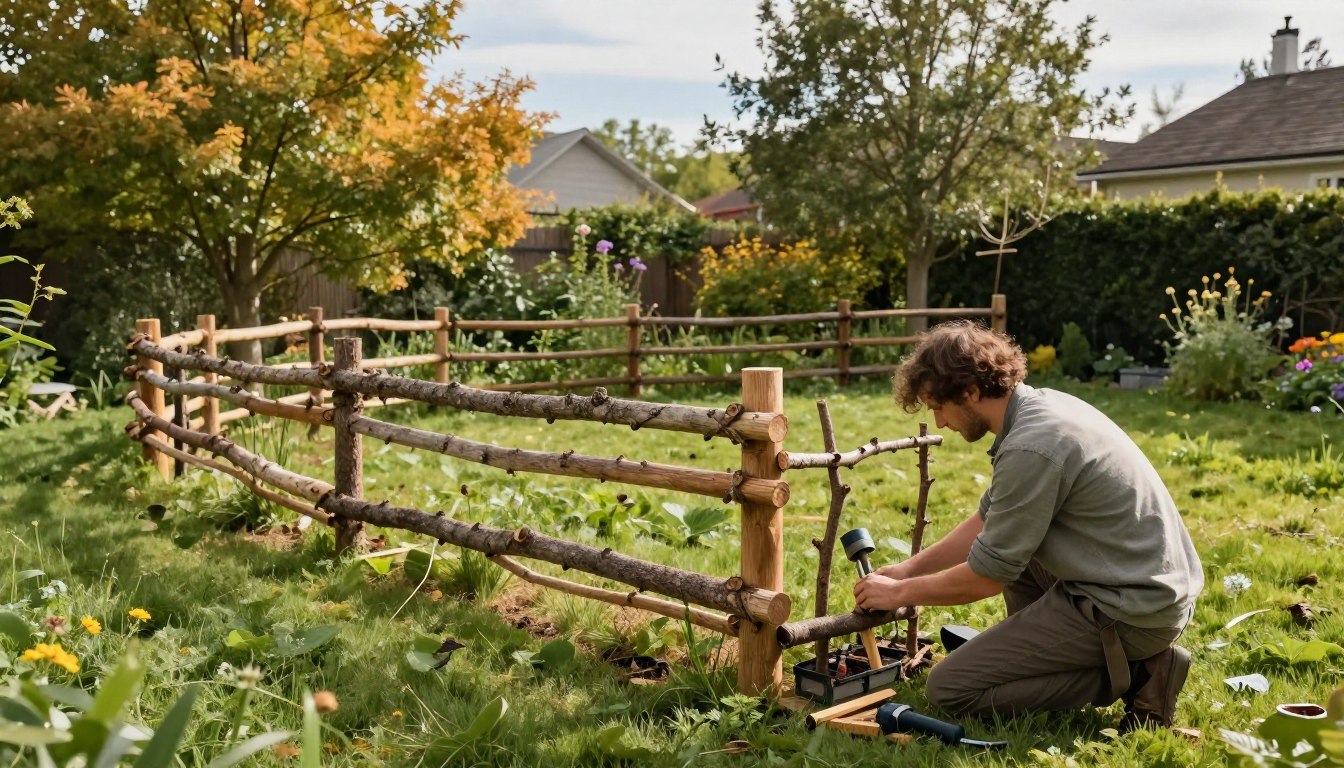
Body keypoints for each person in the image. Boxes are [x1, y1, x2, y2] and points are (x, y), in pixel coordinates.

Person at [853, 320, 1203, 731]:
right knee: (1014, 549)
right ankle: (1062, 661)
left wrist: (900, 593)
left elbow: (985, 578)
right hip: (1137, 584)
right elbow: (987, 521)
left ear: (970, 391)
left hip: (1131, 610)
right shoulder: (1042, 407)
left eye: (939, 406)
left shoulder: (1032, 445)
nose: (941, 421)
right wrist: (907, 570)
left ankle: (1140, 672)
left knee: (949, 688)